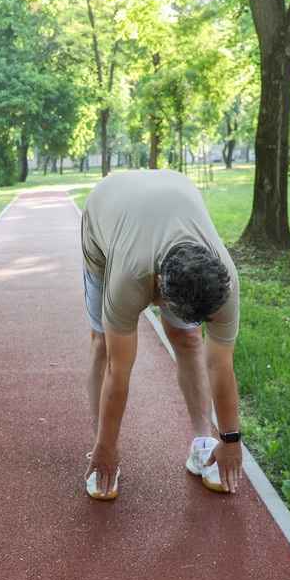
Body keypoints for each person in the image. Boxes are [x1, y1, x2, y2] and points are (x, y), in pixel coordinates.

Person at [80, 169, 243, 500]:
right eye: (178, 312)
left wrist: (230, 440)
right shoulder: (129, 279)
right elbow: (118, 369)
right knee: (103, 346)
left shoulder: (224, 284)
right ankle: (100, 445)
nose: (187, 320)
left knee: (188, 340)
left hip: (173, 192)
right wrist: (108, 446)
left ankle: (202, 442)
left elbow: (221, 366)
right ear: (159, 288)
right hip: (105, 213)